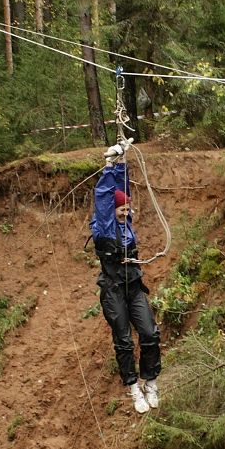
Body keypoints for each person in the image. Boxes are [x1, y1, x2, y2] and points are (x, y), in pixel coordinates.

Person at [89, 139, 161, 414]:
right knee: (124, 341)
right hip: (113, 289)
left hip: (134, 286)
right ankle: (133, 389)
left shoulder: (125, 222)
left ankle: (151, 381)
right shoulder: (106, 226)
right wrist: (108, 168)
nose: (126, 212)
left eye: (127, 209)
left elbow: (122, 190)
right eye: (122, 209)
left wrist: (120, 162)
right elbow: (105, 196)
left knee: (149, 333)